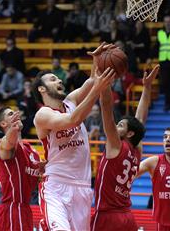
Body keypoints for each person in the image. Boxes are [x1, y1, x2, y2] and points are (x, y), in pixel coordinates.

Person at [32, 43, 116, 231]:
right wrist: (96, 90)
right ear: (42, 89)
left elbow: (93, 81)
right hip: (56, 185)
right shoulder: (43, 114)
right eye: (53, 79)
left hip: (82, 186)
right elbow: (73, 120)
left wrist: (98, 60)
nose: (59, 81)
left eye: (59, 79)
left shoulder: (70, 101)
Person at [91, 65, 160, 231]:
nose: (116, 125)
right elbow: (140, 119)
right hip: (127, 217)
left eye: (120, 125)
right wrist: (147, 87)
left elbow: (107, 108)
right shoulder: (137, 150)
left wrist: (104, 83)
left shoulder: (115, 144)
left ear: (129, 134)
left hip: (107, 216)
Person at [0, 106, 46, 231]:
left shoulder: (30, 150)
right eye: (11, 114)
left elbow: (37, 177)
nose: (16, 114)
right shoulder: (6, 144)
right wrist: (13, 128)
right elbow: (8, 143)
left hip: (26, 208)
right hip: (11, 208)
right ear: (3, 123)